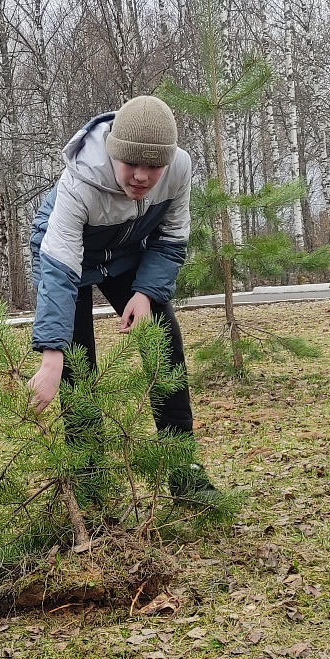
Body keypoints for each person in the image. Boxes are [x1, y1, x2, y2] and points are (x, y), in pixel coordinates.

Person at [26, 96, 218, 496]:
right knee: (77, 366)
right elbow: (59, 269)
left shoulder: (179, 169)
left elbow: (171, 237)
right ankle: (90, 479)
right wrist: (51, 355)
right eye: (132, 163)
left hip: (128, 251)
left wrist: (146, 293)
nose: (143, 177)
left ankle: (183, 469)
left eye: (154, 166)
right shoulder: (79, 180)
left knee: (164, 341)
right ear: (113, 151)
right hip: (67, 257)